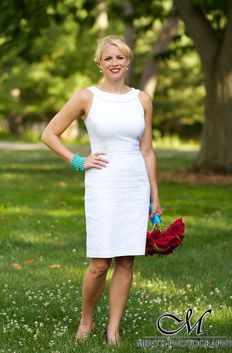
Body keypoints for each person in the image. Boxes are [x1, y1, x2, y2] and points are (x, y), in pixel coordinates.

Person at [41, 35, 162, 345]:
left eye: (120, 57)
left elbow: (147, 150)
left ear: (129, 60)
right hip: (103, 185)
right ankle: (87, 320)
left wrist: (155, 197)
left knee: (126, 260)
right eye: (108, 58)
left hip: (134, 185)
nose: (115, 62)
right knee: (99, 262)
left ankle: (114, 328)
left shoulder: (142, 99)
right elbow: (49, 134)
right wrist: (79, 161)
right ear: (99, 63)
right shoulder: (87, 97)